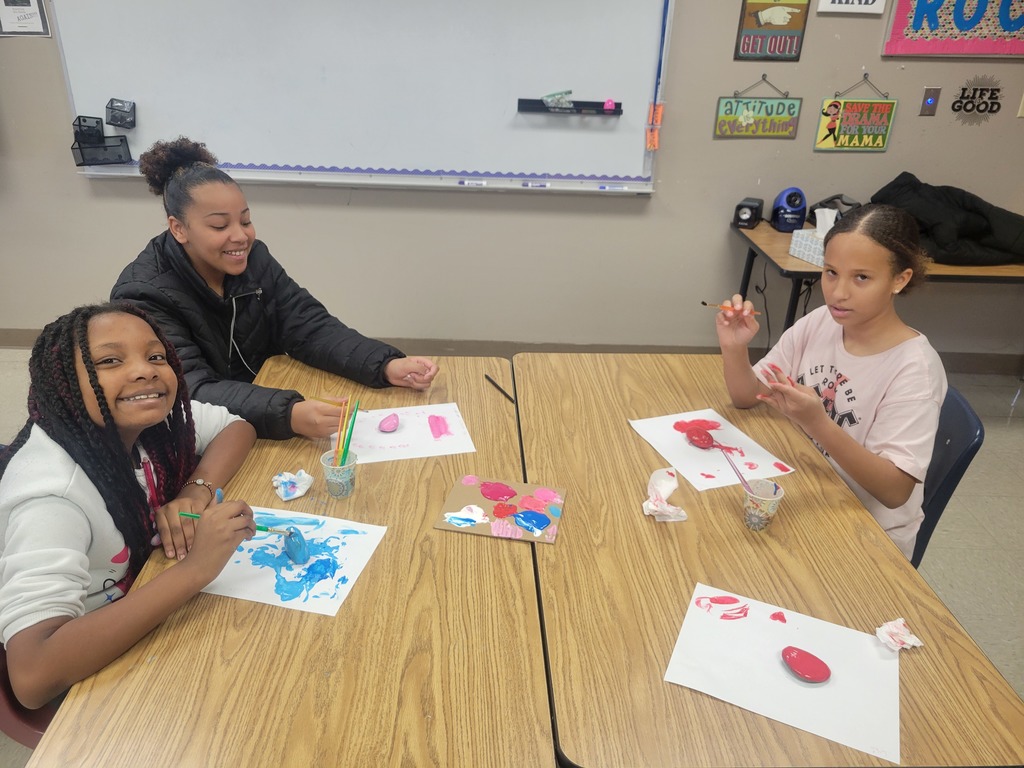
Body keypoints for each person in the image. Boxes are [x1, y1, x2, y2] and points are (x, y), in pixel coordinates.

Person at [0, 303, 258, 709]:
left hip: (150, 600)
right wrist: (196, 570)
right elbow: (32, 676)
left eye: (156, 356)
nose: (145, 370)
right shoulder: (52, 496)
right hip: (91, 675)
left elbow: (237, 427)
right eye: (109, 361)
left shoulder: (151, 423)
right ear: (63, 384)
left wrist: (195, 491)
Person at [111, 136, 438, 441]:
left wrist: (383, 364)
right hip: (202, 438)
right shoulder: (144, 294)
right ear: (178, 228)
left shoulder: (253, 259)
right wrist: (290, 413)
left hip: (261, 407)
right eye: (219, 225)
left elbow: (307, 325)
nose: (240, 236)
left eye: (246, 220)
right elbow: (190, 390)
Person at [715, 204, 947, 560]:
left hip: (867, 535)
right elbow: (748, 396)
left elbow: (895, 491)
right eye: (830, 272)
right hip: (810, 486)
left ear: (899, 280)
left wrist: (816, 422)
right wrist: (734, 349)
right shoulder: (822, 321)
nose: (838, 293)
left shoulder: (914, 370)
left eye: (861, 278)